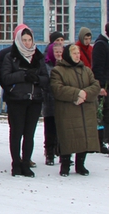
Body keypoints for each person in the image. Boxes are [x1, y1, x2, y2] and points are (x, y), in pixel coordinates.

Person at [0, 24, 50, 177]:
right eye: (24, 40)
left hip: (34, 99)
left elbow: (46, 78)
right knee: (16, 133)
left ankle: (26, 163)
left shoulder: (38, 57)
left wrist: (37, 79)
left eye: (29, 40)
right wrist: (23, 76)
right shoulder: (11, 57)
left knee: (29, 134)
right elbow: (5, 77)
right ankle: (16, 164)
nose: (27, 43)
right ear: (19, 40)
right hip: (17, 100)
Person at [51, 44, 102, 176]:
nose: (77, 56)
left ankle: (81, 165)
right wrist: (76, 93)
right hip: (68, 111)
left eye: (78, 53)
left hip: (85, 109)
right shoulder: (58, 70)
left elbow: (95, 85)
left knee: (83, 136)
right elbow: (57, 89)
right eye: (74, 53)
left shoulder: (86, 70)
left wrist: (85, 93)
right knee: (68, 137)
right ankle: (65, 165)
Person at [41, 31, 66, 166]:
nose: (58, 54)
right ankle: (50, 154)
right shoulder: (46, 63)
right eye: (56, 51)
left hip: (63, 103)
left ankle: (63, 154)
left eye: (60, 52)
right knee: (50, 130)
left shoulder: (65, 64)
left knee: (63, 130)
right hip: (50, 101)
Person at [92, 24, 109, 153]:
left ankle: (105, 139)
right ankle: (101, 141)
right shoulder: (101, 45)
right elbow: (98, 68)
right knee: (102, 113)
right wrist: (101, 86)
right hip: (105, 85)